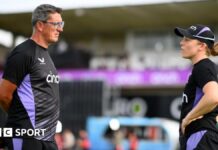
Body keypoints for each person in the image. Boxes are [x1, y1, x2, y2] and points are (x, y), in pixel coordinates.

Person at [0, 4, 64, 150]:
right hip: (26, 137)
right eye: (56, 24)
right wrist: (23, 120)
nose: (60, 29)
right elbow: (3, 95)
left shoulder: (47, 56)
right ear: (40, 25)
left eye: (61, 24)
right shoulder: (23, 53)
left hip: (48, 138)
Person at [174, 24, 218, 149]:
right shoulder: (210, 67)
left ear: (202, 46)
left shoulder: (203, 67)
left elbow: (214, 96)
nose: (181, 43)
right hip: (205, 136)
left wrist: (188, 118)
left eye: (187, 40)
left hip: (200, 136)